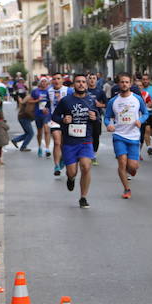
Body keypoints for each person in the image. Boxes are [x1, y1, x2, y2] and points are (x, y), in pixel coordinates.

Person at [52, 73, 98, 208]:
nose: (81, 84)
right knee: (72, 172)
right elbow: (55, 116)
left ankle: (83, 197)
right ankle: (70, 178)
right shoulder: (66, 100)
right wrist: (63, 120)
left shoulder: (90, 100)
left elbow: (97, 119)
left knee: (85, 166)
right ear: (73, 84)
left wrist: (95, 118)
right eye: (78, 82)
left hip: (86, 140)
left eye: (84, 82)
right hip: (70, 142)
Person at [104, 73, 149, 199]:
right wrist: (109, 125)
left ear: (130, 84)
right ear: (118, 84)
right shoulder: (113, 101)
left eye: (127, 82)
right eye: (122, 82)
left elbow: (145, 113)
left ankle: (132, 170)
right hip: (119, 135)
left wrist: (140, 120)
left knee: (132, 167)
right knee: (122, 163)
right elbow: (107, 117)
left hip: (134, 136)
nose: (124, 84)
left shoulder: (137, 99)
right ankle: (126, 188)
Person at [46, 72, 71, 175]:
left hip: (66, 120)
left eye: (58, 79)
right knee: (57, 142)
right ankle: (56, 166)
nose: (56, 81)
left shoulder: (68, 90)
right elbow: (48, 103)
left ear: (62, 80)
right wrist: (45, 108)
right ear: (52, 81)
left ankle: (62, 159)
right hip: (55, 119)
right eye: (54, 79)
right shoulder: (49, 91)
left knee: (64, 144)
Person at [87, 72, 108, 165]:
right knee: (87, 136)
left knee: (96, 136)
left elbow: (107, 104)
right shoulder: (84, 91)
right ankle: (88, 154)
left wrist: (100, 105)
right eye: (90, 78)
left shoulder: (100, 91)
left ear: (96, 80)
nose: (91, 80)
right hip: (85, 118)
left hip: (97, 117)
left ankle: (94, 154)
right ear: (87, 80)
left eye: (93, 78)